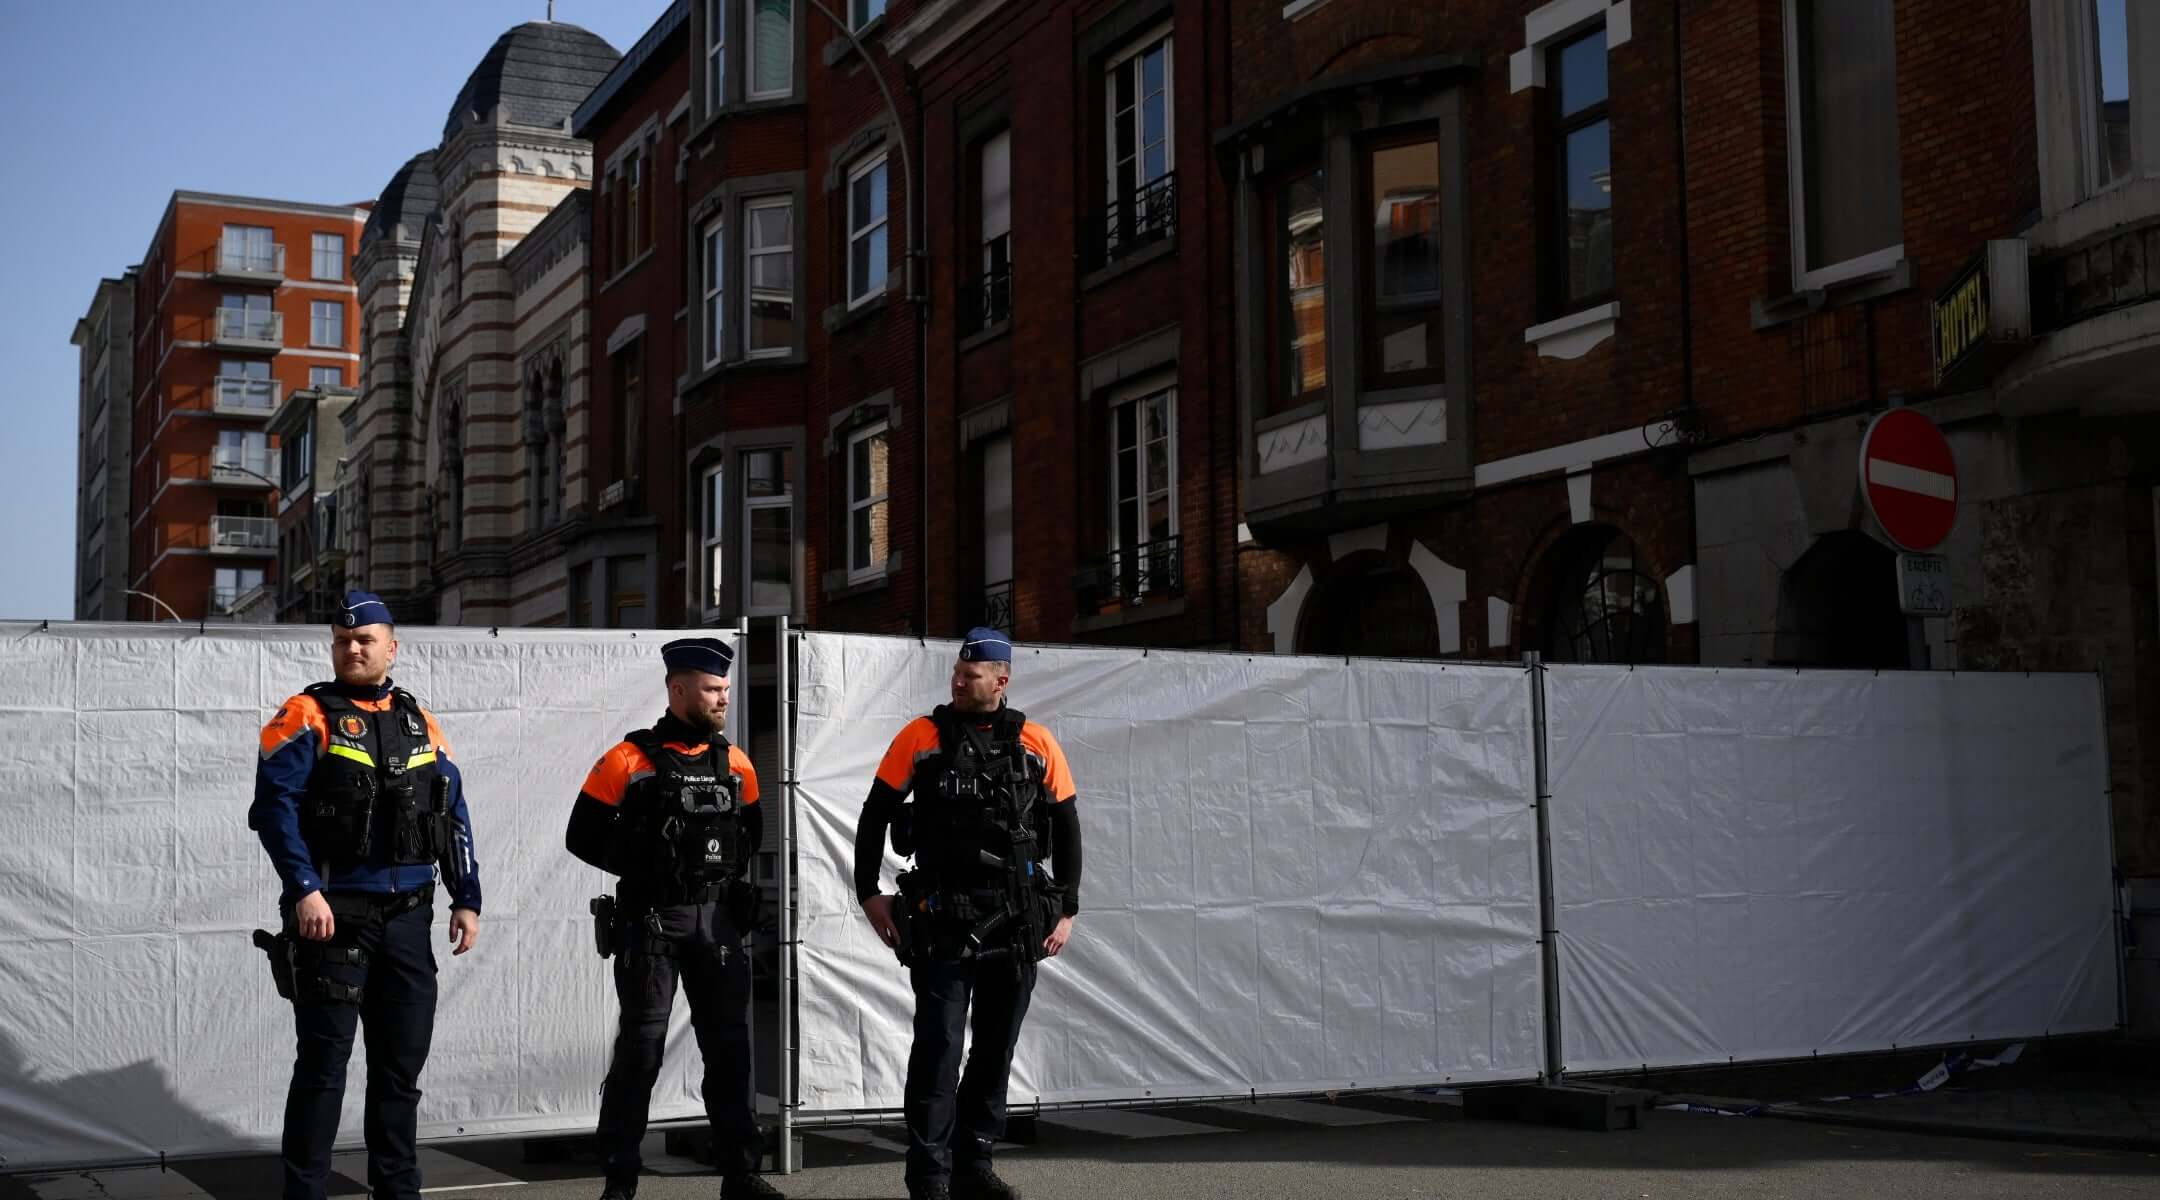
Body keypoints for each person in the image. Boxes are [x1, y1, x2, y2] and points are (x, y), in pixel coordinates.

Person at [248, 590, 484, 1200]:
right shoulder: (303, 714)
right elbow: (275, 811)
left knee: (399, 1073)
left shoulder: (419, 721)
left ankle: (398, 1193)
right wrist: (303, 889)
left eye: (365, 640)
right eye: (342, 641)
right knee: (323, 1071)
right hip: (333, 916)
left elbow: (451, 813)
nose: (352, 648)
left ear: (391, 648)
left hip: (409, 918)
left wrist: (466, 897)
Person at [854, 628, 1084, 1200]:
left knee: (995, 1049)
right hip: (944, 920)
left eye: (970, 675)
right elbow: (875, 813)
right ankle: (928, 1177)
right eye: (956, 673)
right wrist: (868, 891)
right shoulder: (921, 736)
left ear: (1001, 680)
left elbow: (1070, 827)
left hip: (1017, 920)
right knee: (939, 1047)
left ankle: (974, 1164)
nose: (957, 682)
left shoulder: (1037, 741)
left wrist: (1068, 908)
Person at [565, 637, 780, 1200]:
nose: (721, 700)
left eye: (726, 691)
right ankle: (620, 1178)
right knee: (641, 1050)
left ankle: (741, 1174)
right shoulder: (628, 758)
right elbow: (581, 836)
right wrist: (642, 860)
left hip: (717, 924)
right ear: (677, 689)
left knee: (730, 1051)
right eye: (712, 690)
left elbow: (751, 836)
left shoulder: (735, 762)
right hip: (652, 922)